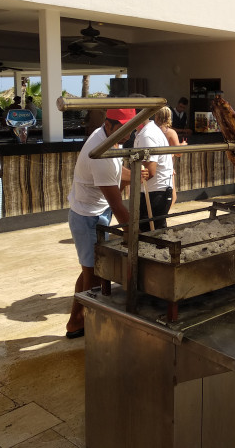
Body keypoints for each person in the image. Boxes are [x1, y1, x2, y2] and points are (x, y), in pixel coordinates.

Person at [66, 108, 143, 339]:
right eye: (123, 129)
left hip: (96, 212)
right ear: (108, 124)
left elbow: (116, 173)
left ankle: (77, 321)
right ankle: (82, 323)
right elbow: (118, 205)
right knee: (95, 275)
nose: (128, 134)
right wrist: (137, 236)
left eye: (131, 128)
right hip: (87, 217)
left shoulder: (109, 139)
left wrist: (135, 173)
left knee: (90, 270)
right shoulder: (100, 154)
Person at [134, 101, 174, 231]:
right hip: (153, 191)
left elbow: (149, 172)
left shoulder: (147, 135)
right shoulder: (145, 132)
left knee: (150, 235)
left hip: (154, 194)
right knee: (155, 234)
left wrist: (126, 179)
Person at [154, 106, 187, 207]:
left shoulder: (152, 131)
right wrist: (183, 145)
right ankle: (163, 215)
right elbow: (178, 153)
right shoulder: (170, 132)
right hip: (166, 166)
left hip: (153, 164)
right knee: (172, 197)